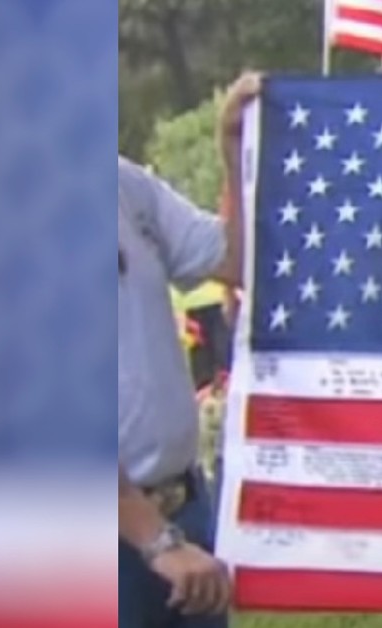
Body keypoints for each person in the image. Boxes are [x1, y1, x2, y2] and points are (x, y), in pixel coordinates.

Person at [118, 71, 260, 628]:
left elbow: (233, 260)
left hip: (184, 512)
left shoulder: (121, 186)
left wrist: (236, 152)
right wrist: (155, 541)